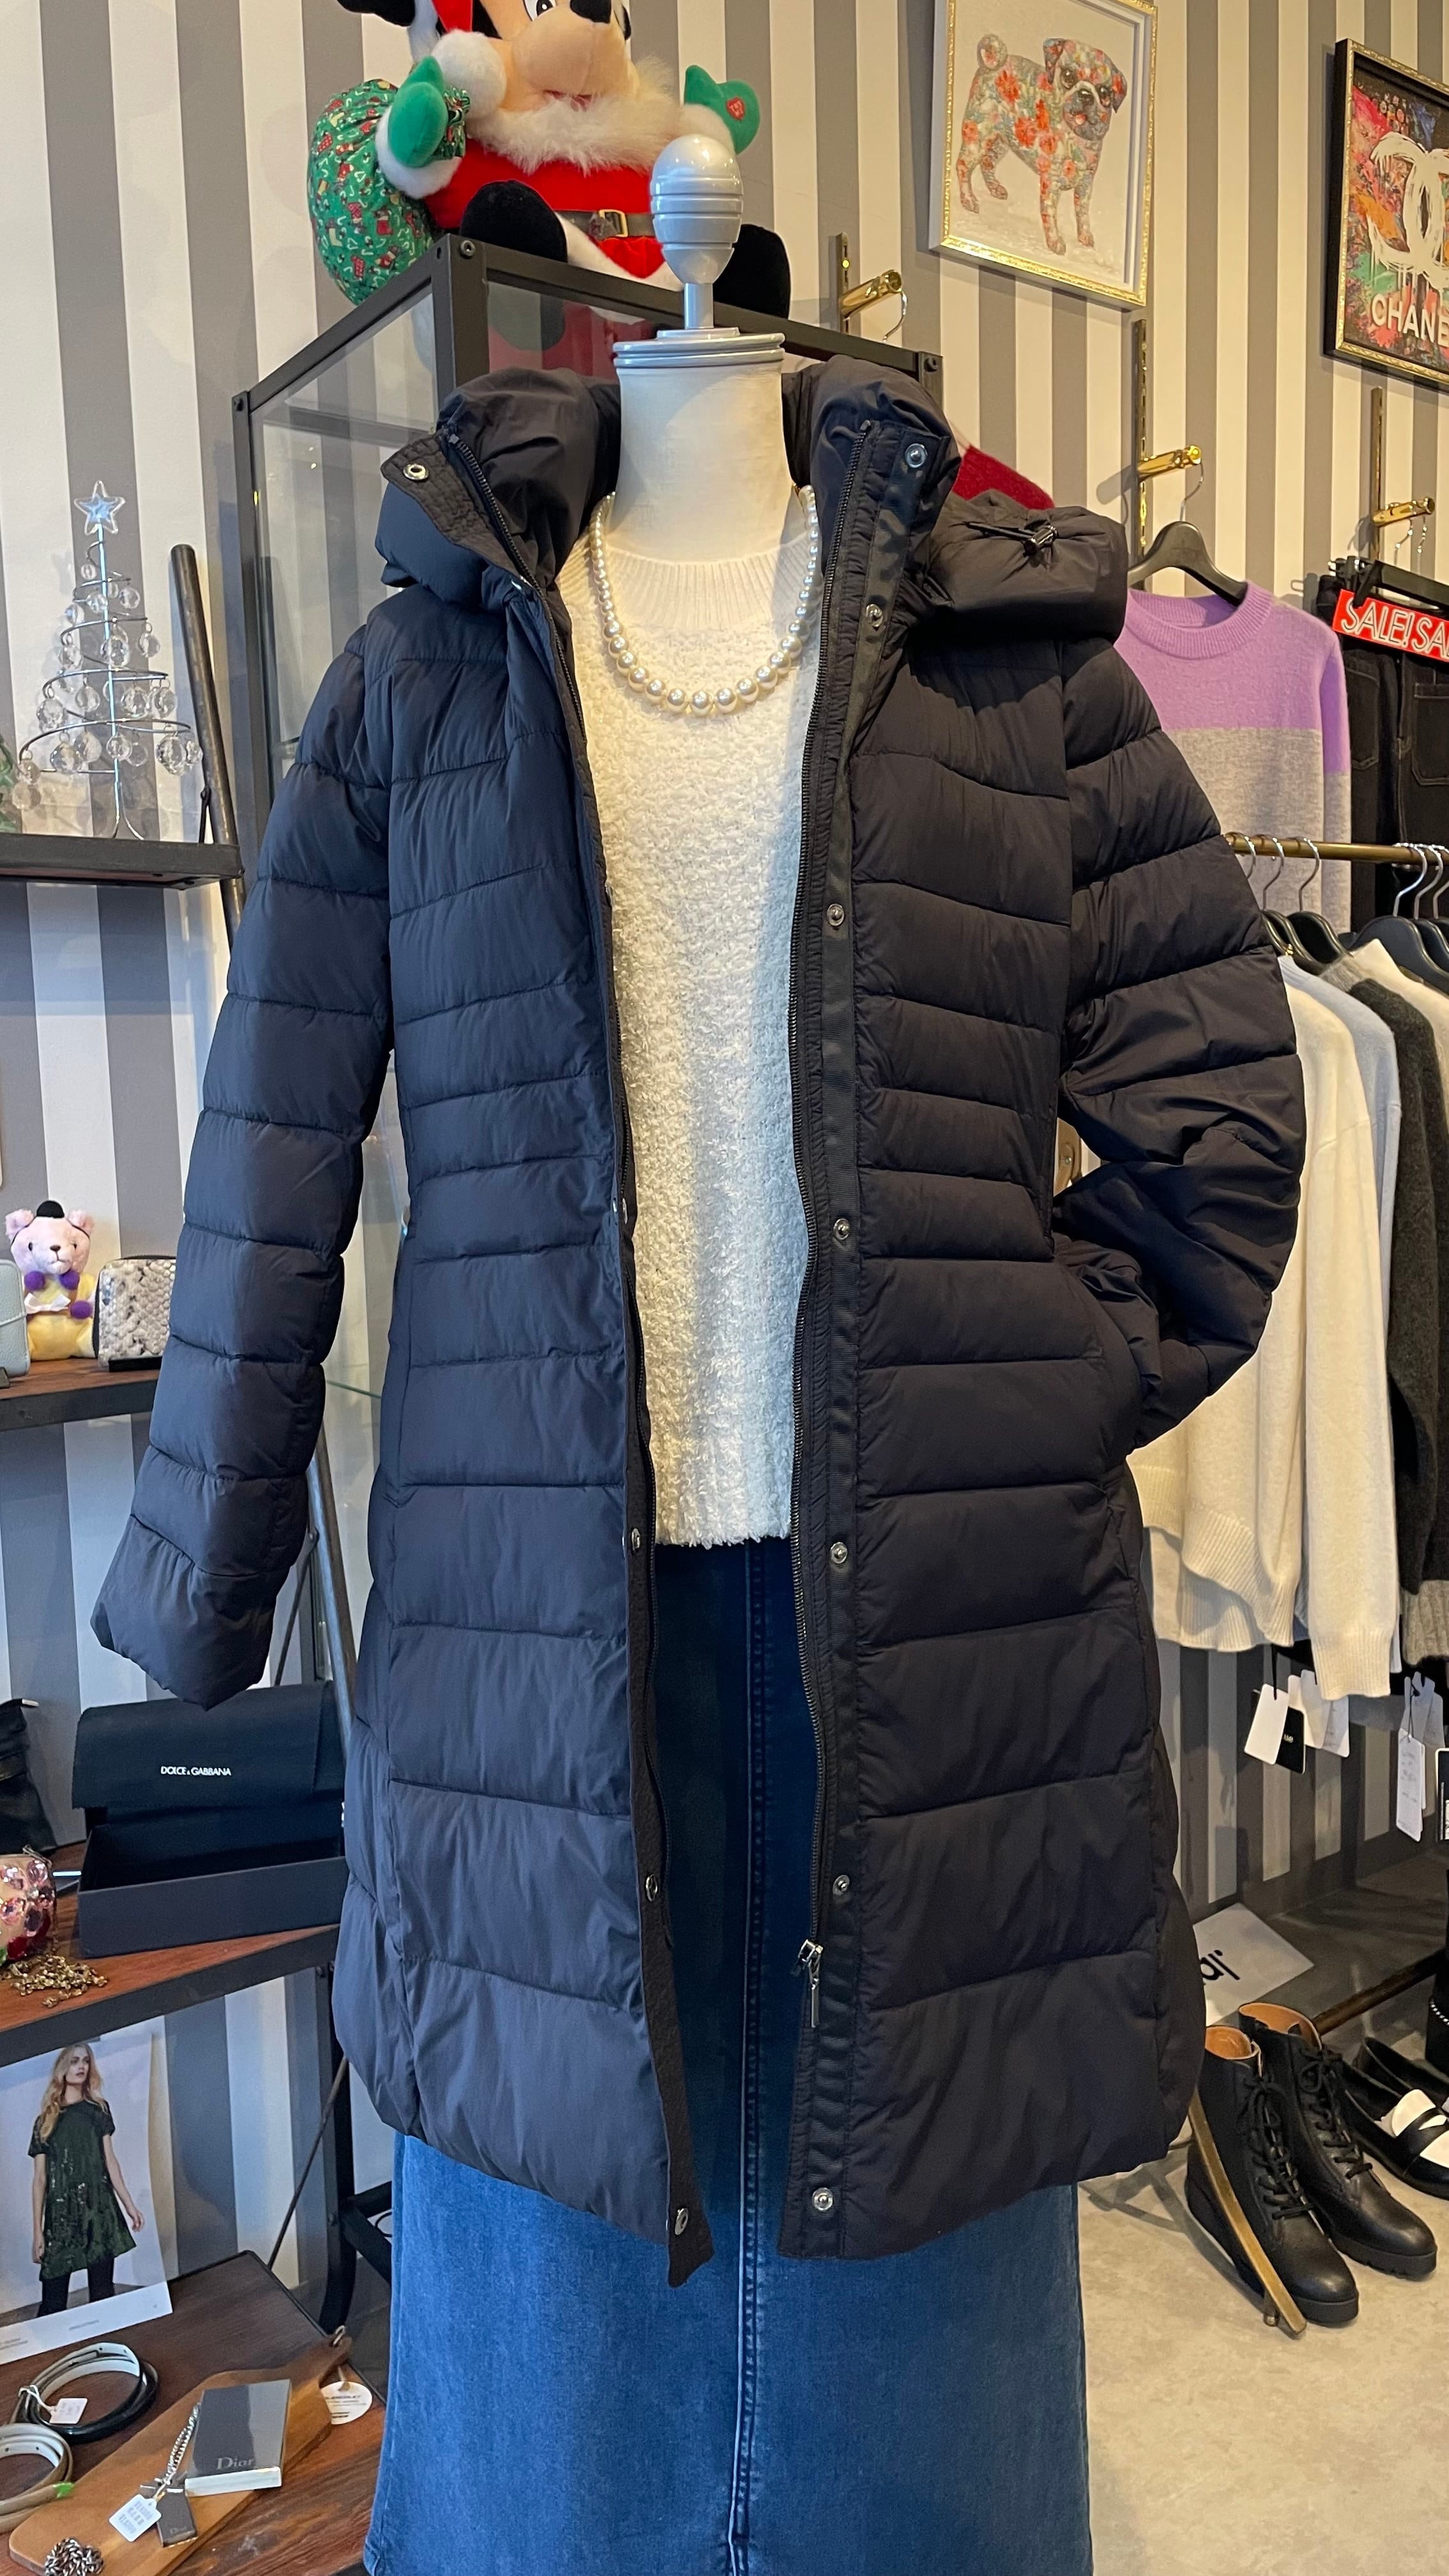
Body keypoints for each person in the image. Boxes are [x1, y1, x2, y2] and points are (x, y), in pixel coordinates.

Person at [28, 2043, 144, 2317]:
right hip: (61, 2216)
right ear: (62, 2068)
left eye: (85, 2061)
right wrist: (37, 2232)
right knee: (53, 2304)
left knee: (103, 2295)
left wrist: (129, 2205)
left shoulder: (98, 2110)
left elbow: (110, 2162)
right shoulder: (46, 2121)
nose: (81, 2067)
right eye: (74, 2061)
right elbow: (40, 2179)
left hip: (98, 2210)